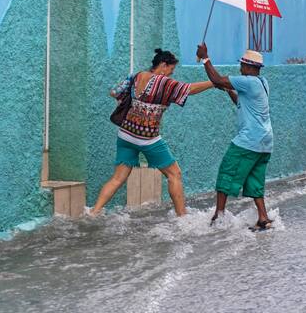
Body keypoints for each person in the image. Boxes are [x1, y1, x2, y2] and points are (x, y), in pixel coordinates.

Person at [90, 49, 213, 216]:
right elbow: (188, 89)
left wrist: (137, 104)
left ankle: (94, 212)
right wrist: (214, 82)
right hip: (147, 138)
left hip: (125, 134)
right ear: (163, 65)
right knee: (174, 173)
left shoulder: (136, 76)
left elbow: (115, 92)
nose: (170, 74)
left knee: (118, 178)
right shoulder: (163, 82)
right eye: (171, 69)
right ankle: (182, 217)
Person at [196, 43, 274, 231]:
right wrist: (228, 90)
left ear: (248, 67)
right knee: (255, 179)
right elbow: (240, 101)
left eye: (242, 65)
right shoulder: (262, 83)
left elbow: (216, 78)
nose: (240, 68)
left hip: (248, 140)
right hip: (265, 142)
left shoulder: (247, 81)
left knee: (227, 171)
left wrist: (205, 58)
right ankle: (263, 217)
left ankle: (218, 216)